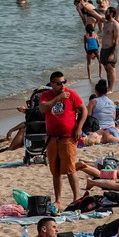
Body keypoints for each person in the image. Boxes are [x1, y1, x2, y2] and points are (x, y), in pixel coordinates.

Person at [40, 72, 86, 210]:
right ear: (52, 84)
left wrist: (79, 127)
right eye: (59, 83)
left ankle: (76, 198)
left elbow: (84, 110)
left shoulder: (71, 94)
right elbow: (43, 108)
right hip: (52, 138)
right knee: (56, 170)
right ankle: (58, 200)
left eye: (64, 82)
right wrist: (58, 98)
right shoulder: (46, 96)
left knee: (70, 168)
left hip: (68, 137)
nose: (62, 86)